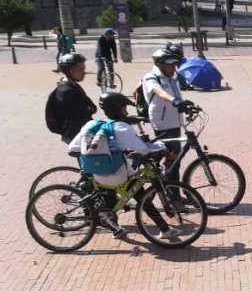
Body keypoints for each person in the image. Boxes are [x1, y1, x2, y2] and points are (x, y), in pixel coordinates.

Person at [70, 92, 178, 240]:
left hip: (96, 175)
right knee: (139, 190)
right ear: (118, 109)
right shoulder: (121, 127)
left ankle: (113, 224)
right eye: (124, 109)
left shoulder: (92, 125)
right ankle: (163, 228)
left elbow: (73, 149)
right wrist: (161, 146)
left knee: (125, 193)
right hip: (117, 176)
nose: (126, 113)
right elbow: (144, 149)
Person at [141, 47, 191, 192]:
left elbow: (176, 94)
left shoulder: (171, 78)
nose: (173, 67)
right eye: (170, 64)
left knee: (173, 160)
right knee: (172, 160)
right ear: (159, 64)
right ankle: (171, 195)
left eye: (174, 64)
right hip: (163, 123)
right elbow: (159, 92)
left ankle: (172, 192)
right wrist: (174, 101)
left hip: (174, 122)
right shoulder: (151, 77)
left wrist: (184, 104)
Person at [46, 53, 98, 143]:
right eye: (80, 69)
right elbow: (82, 114)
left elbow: (91, 107)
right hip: (77, 134)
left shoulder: (73, 86)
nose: (84, 72)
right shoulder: (67, 91)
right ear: (69, 70)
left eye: (84, 69)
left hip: (80, 131)